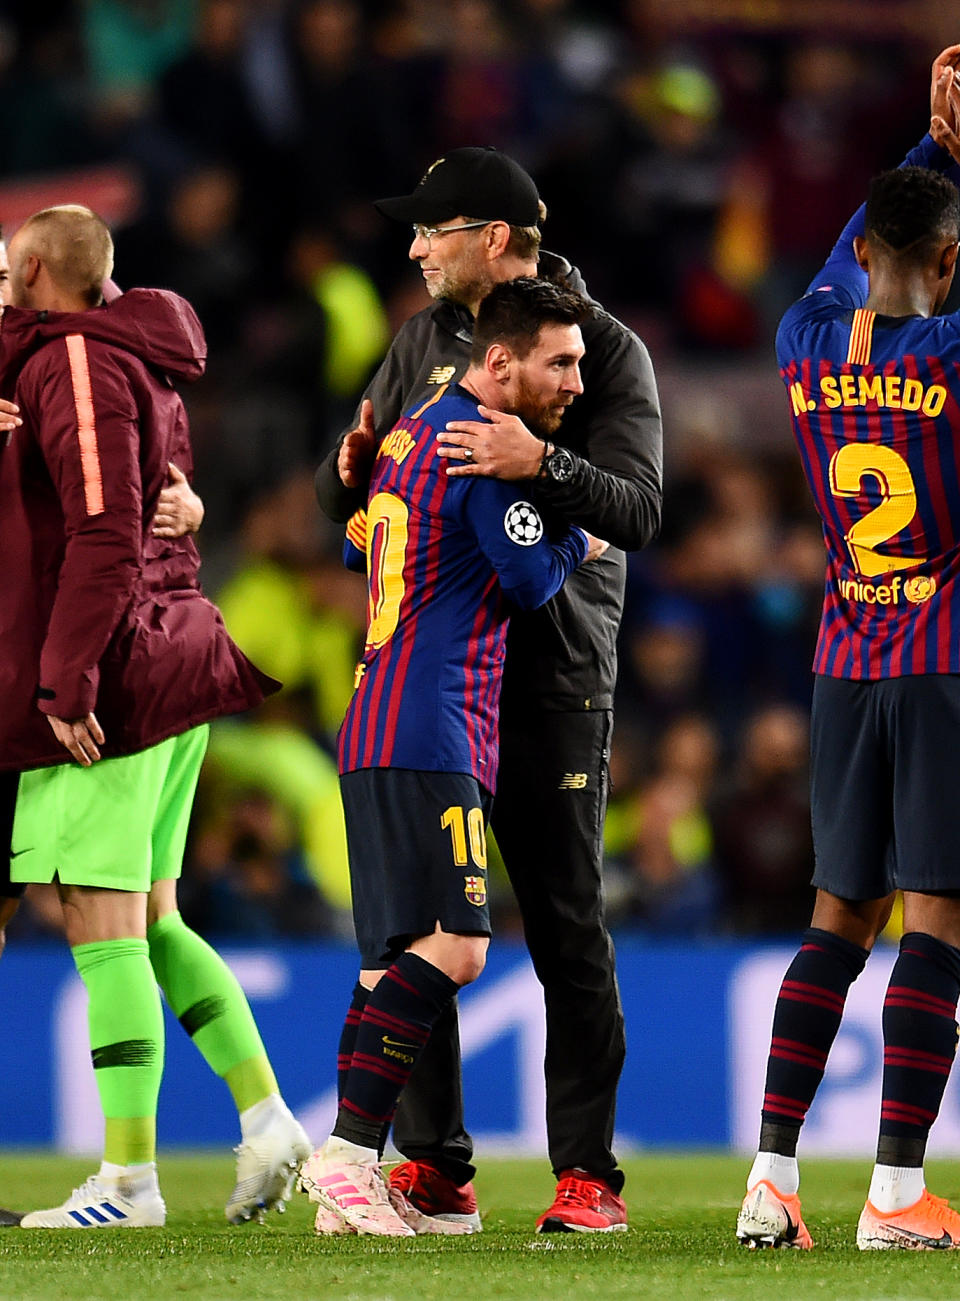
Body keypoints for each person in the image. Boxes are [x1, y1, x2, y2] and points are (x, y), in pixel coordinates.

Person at [315, 146, 661, 1234]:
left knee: (564, 924)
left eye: (435, 226)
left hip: (551, 674)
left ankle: (586, 1173)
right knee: (425, 927)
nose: (415, 245)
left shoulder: (601, 350)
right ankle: (432, 1162)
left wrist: (539, 463)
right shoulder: (420, 342)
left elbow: (640, 509)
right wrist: (343, 487)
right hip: (442, 678)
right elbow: (381, 503)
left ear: (497, 238)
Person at [0, 205, 310, 1229]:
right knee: (160, 914)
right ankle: (267, 1117)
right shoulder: (136, 355)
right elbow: (143, 498)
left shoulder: (74, 362)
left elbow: (103, 522)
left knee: (103, 923)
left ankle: (129, 1180)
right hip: (176, 650)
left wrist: (68, 680)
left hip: (116, 670)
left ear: (34, 269)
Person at [299, 277, 602, 1236]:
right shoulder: (480, 446)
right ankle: (346, 1155)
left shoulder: (411, 428)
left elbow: (360, 544)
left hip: (374, 716)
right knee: (459, 946)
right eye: (560, 361)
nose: (575, 382)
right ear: (500, 360)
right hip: (436, 726)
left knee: (391, 956)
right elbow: (523, 577)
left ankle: (351, 1172)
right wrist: (580, 536)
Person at [736, 46, 960, 1252]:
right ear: (950, 262)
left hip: (844, 654)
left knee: (837, 917)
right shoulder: (954, 351)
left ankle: (770, 1181)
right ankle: (893, 1193)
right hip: (943, 656)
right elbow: (916, 248)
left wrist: (936, 150)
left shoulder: (805, 336)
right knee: (937, 923)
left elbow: (871, 243)